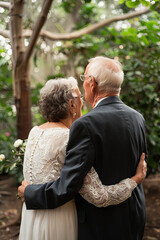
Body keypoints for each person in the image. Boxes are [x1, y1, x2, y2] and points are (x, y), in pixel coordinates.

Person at [18, 57, 147, 240]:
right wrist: (136, 179)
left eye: (83, 78)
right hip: (135, 213)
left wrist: (30, 192)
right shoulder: (138, 118)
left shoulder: (85, 125)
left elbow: (69, 185)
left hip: (100, 224)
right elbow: (141, 162)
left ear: (91, 83)